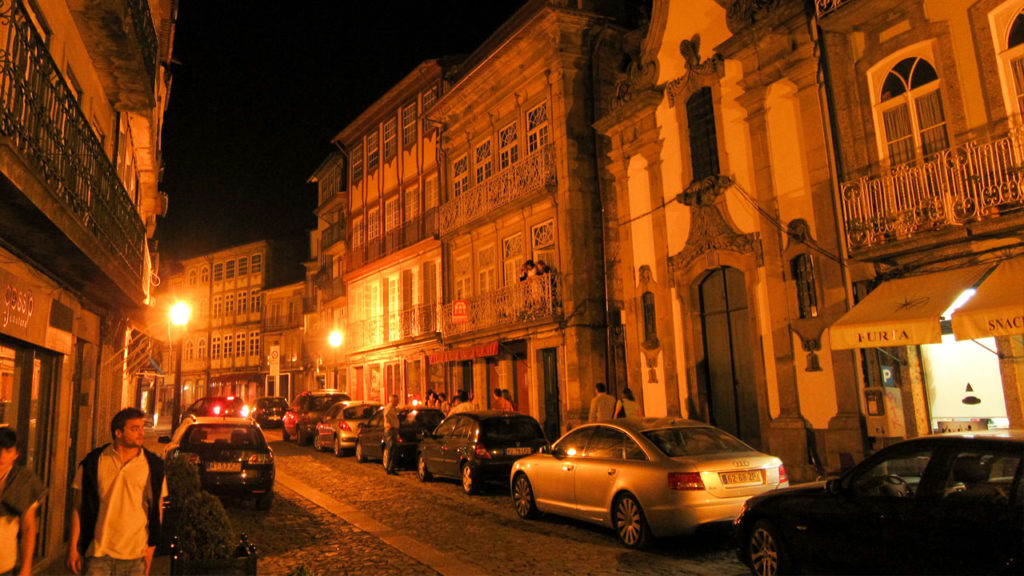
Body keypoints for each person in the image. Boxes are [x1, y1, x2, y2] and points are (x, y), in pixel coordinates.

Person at [68, 408, 167, 576]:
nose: (141, 433)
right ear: (118, 433)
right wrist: (73, 548)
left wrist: (150, 550)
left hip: (135, 555)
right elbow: (79, 507)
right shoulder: (94, 462)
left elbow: (157, 508)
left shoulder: (153, 466)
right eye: (134, 429)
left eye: (142, 428)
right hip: (98, 553)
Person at [0, 426, 44, 576]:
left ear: (16, 454)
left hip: (4, 561)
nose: (2, 456)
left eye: (8, 451)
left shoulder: (24, 481)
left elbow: (28, 527)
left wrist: (26, 567)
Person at [382, 394, 400, 475]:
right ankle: (389, 468)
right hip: (390, 430)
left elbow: (397, 411)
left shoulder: (393, 408)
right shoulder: (389, 407)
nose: (398, 402)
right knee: (391, 448)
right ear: (393, 400)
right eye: (396, 400)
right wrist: (389, 423)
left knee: (393, 449)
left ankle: (391, 468)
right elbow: (386, 415)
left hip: (393, 430)